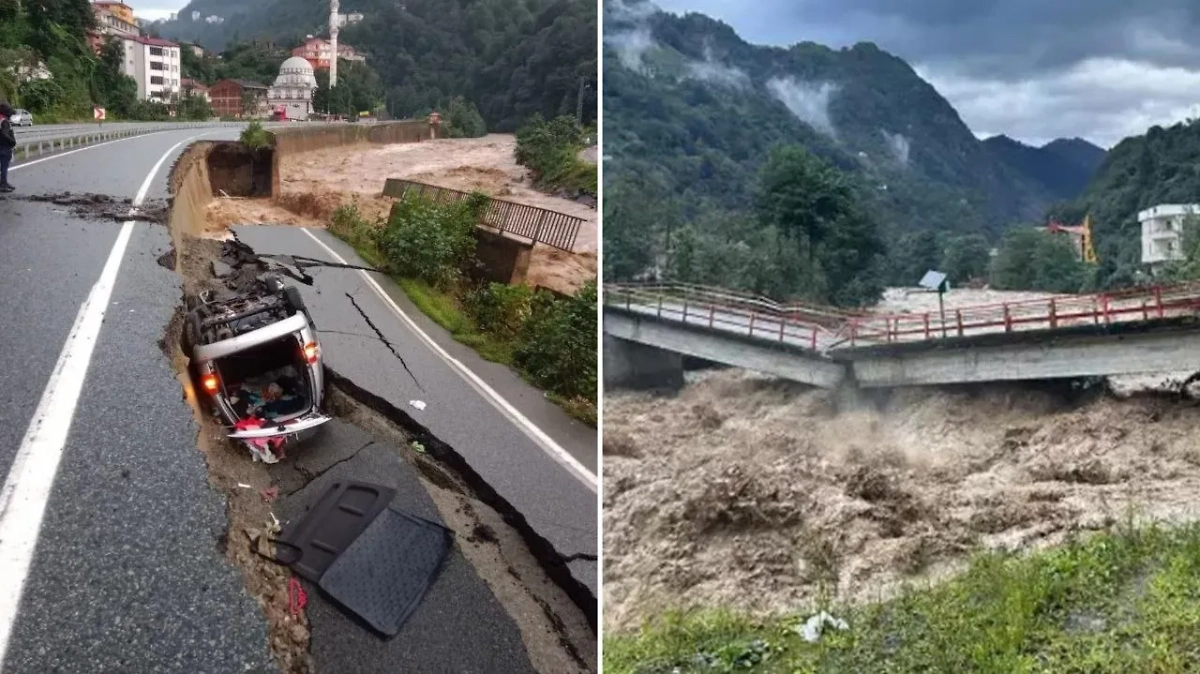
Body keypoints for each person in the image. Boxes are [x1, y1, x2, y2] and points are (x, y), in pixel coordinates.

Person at [0, 103, 15, 192]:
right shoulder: (4, 121)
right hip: (4, 147)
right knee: (4, 167)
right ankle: (3, 184)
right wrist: (12, 141)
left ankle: (4, 182)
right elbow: (4, 133)